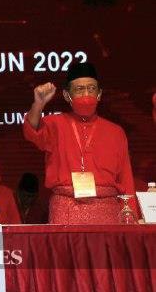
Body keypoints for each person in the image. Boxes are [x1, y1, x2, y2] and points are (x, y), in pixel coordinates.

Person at [23, 61, 136, 224]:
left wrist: (131, 218)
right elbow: (31, 131)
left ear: (100, 94)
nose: (86, 94)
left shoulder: (115, 132)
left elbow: (126, 179)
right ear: (67, 95)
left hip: (107, 211)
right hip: (66, 208)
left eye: (91, 89)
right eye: (79, 89)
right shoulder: (54, 124)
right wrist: (38, 104)